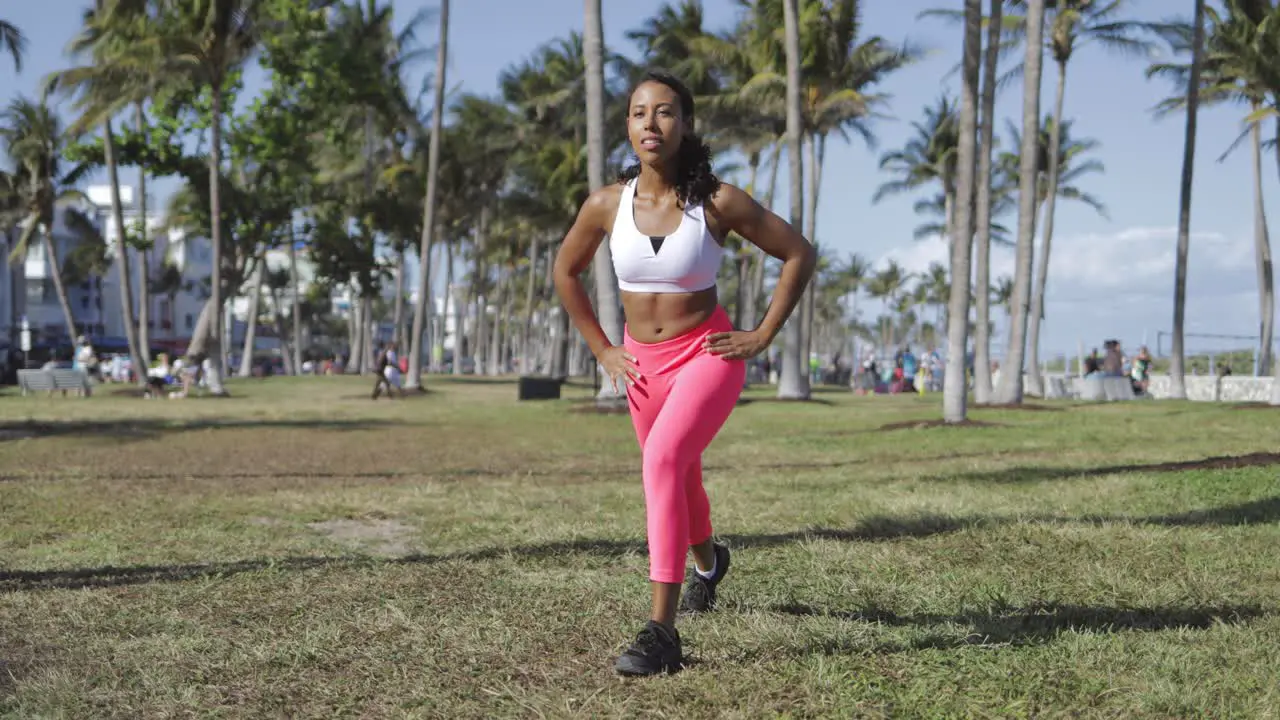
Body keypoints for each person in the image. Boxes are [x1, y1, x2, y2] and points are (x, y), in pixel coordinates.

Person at [553, 69, 816, 677]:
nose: (651, 122)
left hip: (708, 355)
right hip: (641, 367)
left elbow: (799, 252)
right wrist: (603, 350)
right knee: (681, 476)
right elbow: (566, 272)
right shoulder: (605, 205)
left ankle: (662, 632)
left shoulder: (717, 201)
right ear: (628, 125)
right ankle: (709, 563)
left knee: (664, 462)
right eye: (640, 112)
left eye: (665, 112)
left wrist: (761, 335)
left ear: (686, 125)